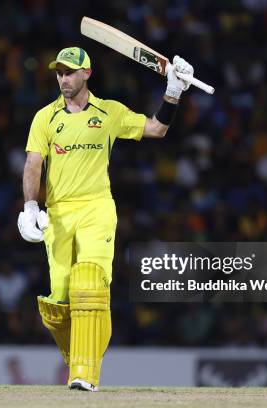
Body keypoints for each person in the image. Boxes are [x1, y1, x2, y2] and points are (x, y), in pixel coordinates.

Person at [17, 47, 193, 391]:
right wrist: (30, 207)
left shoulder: (108, 112)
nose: (63, 78)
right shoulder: (44, 117)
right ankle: (77, 357)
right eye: (59, 72)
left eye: (70, 72)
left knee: (90, 284)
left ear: (87, 74)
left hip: (97, 207)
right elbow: (33, 163)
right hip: (60, 212)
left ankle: (84, 372)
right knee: (59, 303)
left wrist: (173, 91)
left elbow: (156, 129)